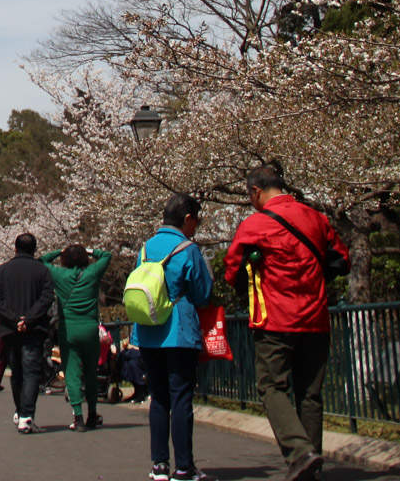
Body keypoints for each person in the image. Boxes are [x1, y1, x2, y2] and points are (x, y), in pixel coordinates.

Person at [224, 165, 350, 481]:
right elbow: (342, 259)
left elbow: (231, 270)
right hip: (316, 317)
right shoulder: (315, 217)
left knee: (271, 386)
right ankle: (309, 464)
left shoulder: (254, 225)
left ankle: (299, 452)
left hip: (275, 318)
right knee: (310, 393)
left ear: (255, 191)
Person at [134, 194, 214, 481]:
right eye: (197, 219)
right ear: (188, 219)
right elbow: (203, 294)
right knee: (181, 397)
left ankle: (159, 466)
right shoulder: (187, 249)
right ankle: (183, 467)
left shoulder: (145, 248)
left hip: (148, 332)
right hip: (178, 331)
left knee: (159, 398)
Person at [0, 231, 55, 434]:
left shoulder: (2, 271)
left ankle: (20, 411)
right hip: (34, 329)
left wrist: (14, 319)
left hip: (10, 329)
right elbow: (46, 298)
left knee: (16, 372)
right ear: (34, 250)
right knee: (31, 372)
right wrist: (29, 318)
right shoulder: (42, 271)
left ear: (15, 248)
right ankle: (27, 416)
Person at [41, 243, 114, 431]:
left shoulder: (59, 275)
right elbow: (106, 256)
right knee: (91, 372)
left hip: (69, 329)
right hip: (90, 328)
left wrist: (59, 251)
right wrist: (90, 250)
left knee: (72, 374)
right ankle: (92, 413)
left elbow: (42, 261)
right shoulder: (92, 273)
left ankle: (78, 417)